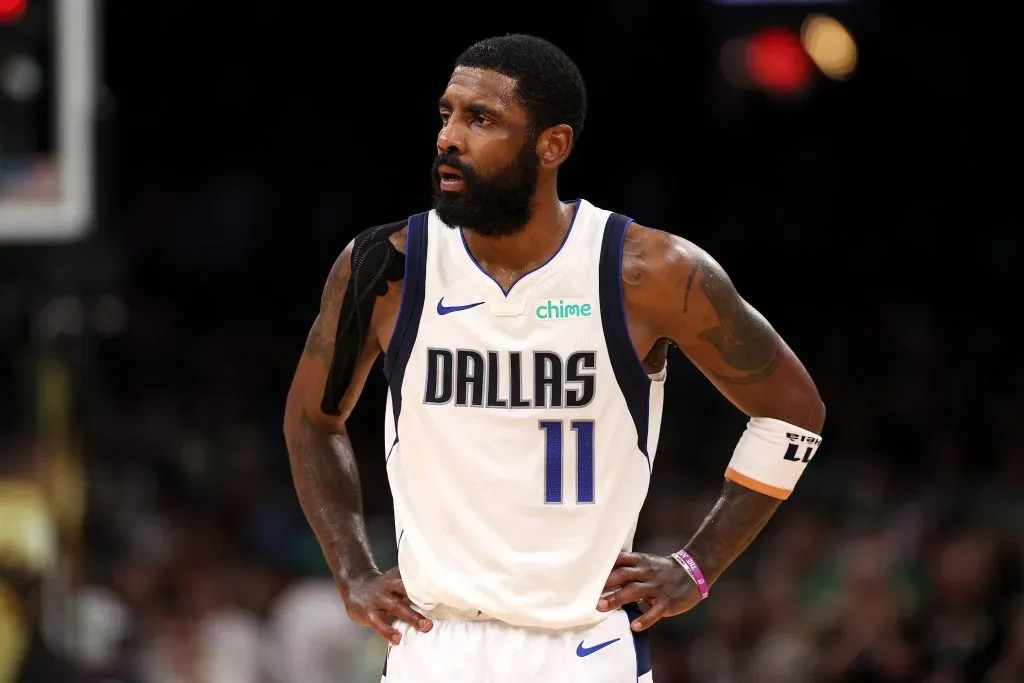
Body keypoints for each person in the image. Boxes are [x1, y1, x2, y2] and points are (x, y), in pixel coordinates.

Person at [283, 33, 825, 683]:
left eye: (481, 119)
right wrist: (351, 570)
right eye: (447, 114)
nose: (449, 137)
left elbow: (793, 411)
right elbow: (312, 419)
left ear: (553, 145)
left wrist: (698, 564)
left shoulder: (647, 272)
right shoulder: (386, 268)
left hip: (582, 646)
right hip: (433, 642)